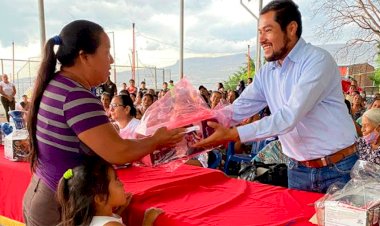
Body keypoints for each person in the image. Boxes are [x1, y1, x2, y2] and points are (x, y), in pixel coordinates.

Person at [23, 20, 185, 226]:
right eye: (107, 52)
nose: (112, 60)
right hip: (58, 206)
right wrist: (157, 140)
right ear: (84, 56)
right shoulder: (76, 96)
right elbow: (119, 152)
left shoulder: (57, 83)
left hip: (43, 192)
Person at [194, 0, 357, 193]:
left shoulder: (317, 61)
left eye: (268, 30)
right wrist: (200, 124)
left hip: (338, 168)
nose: (261, 39)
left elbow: (288, 117)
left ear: (291, 29)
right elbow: (238, 109)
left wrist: (234, 134)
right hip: (298, 169)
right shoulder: (266, 73)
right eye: (260, 32)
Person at [56, 156, 163, 226]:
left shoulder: (89, 219)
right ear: (100, 198)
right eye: (116, 180)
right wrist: (147, 221)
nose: (121, 183)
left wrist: (119, 211)